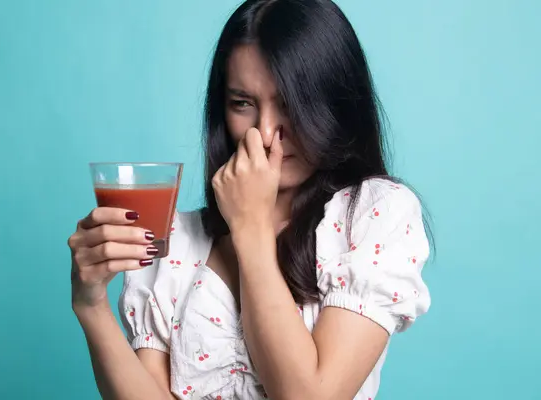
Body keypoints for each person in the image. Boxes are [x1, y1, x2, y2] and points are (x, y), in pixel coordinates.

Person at [68, 0, 432, 399]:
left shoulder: (374, 215)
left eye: (292, 102)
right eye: (243, 103)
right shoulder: (176, 242)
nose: (266, 130)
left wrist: (251, 228)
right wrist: (91, 306)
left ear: (335, 102)